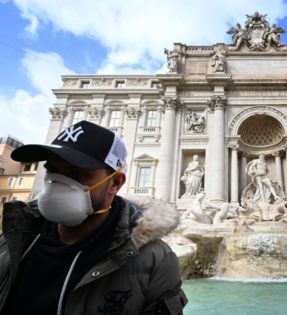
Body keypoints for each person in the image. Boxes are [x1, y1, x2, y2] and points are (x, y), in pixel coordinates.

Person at [0, 120, 187, 314]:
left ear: (115, 183)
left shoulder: (156, 261)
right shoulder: (11, 239)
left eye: (76, 172)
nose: (58, 182)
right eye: (52, 170)